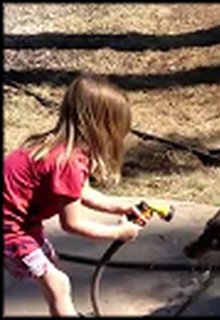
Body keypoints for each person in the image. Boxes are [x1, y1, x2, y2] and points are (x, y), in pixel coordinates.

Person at [3, 73, 148, 317]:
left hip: (22, 223)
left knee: (53, 275)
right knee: (58, 284)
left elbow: (80, 192)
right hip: (10, 230)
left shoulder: (58, 147)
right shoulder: (67, 161)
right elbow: (72, 224)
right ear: (103, 128)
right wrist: (119, 233)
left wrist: (119, 208)